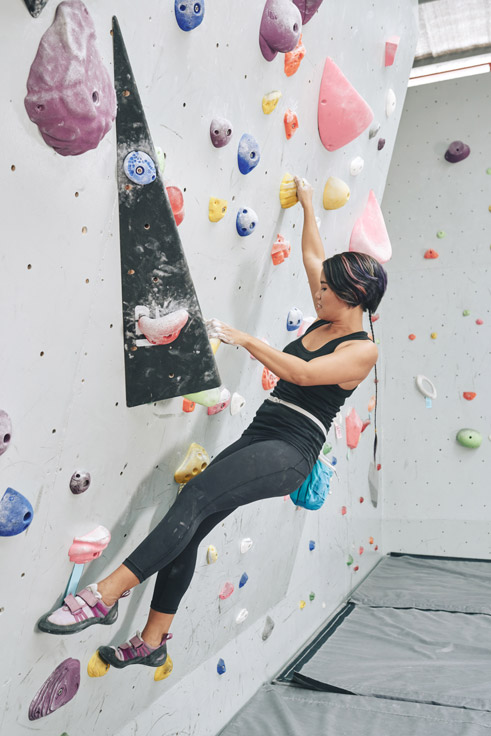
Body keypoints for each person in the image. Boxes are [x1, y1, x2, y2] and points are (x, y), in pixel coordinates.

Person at [38, 178, 388, 670]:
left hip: (291, 449)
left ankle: (105, 594)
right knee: (193, 517)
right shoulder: (329, 315)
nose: (318, 292)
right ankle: (154, 640)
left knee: (196, 499)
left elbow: (303, 374)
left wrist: (246, 339)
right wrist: (309, 205)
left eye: (328, 290)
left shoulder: (362, 349)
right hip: (262, 434)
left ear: (353, 297)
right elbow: (314, 257)